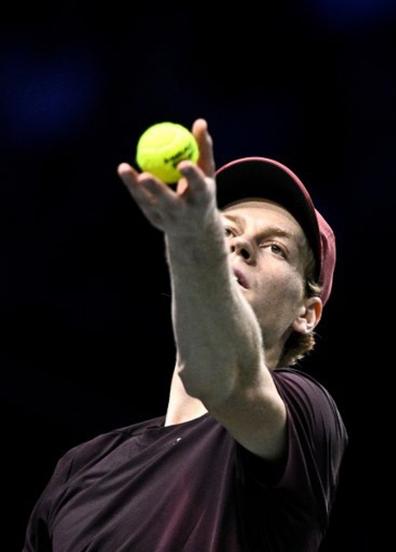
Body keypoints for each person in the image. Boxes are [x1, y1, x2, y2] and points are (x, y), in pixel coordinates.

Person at [23, 119, 348, 551]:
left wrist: (195, 242)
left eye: (276, 247)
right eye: (226, 230)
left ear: (307, 313)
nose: (240, 245)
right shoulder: (82, 469)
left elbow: (223, 378)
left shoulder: (307, 417)